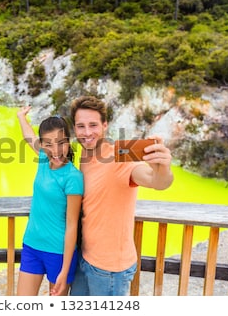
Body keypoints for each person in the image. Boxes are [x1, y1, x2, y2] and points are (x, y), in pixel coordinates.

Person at [69, 95, 174, 296]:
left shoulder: (119, 157)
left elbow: (156, 182)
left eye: (93, 125)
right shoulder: (84, 155)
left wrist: (162, 169)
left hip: (110, 270)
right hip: (84, 259)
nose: (87, 132)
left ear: (105, 125)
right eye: (81, 126)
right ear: (75, 128)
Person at [16, 105, 84, 296]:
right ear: (43, 145)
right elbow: (28, 136)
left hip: (58, 253)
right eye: (48, 144)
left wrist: (64, 269)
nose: (56, 150)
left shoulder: (73, 177)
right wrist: (21, 116)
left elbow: (72, 224)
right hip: (31, 245)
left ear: (68, 141)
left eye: (61, 142)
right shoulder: (44, 159)